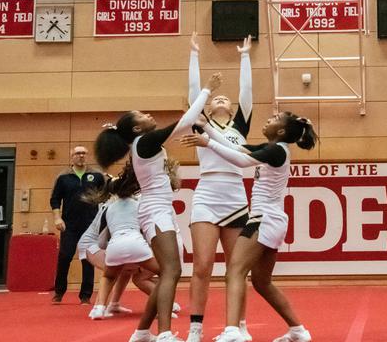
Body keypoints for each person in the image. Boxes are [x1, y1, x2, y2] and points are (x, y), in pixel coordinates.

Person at [94, 72, 222, 342]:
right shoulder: (145, 142)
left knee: (168, 273)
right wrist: (207, 90)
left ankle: (142, 332)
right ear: (137, 129)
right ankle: (164, 334)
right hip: (155, 210)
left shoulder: (143, 143)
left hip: (158, 209)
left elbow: (185, 124)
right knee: (171, 272)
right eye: (141, 115)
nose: (148, 115)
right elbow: (185, 122)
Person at [181, 111, 318, 342]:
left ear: (282, 131)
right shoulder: (273, 148)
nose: (268, 119)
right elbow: (238, 150)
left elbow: (241, 161)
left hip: (263, 218)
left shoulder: (276, 150)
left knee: (235, 270)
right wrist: (209, 130)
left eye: (274, 119)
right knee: (262, 282)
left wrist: (207, 142)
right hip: (273, 220)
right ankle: (298, 330)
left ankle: (233, 330)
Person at [186, 33, 254, 342]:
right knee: (202, 264)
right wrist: (194, 55)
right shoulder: (201, 124)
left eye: (225, 98)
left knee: (237, 268)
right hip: (207, 193)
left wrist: (244, 56)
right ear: (209, 108)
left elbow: (247, 92)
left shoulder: (240, 126)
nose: (222, 99)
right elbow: (192, 96)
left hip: (236, 195)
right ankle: (196, 327)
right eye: (216, 99)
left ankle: (238, 325)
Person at [78, 163, 178, 320]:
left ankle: (98, 308)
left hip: (114, 246)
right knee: (166, 273)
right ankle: (163, 306)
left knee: (109, 275)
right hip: (131, 243)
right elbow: (146, 228)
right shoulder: (140, 204)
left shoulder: (108, 207)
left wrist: (111, 252)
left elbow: (106, 235)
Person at [49, 145, 105, 304]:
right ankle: (59, 292)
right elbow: (54, 199)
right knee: (65, 256)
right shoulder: (63, 177)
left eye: (84, 153)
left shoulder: (97, 175)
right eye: (78, 153)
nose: (81, 156)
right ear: (72, 156)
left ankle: (85, 296)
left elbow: (106, 195)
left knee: (88, 259)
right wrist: (57, 218)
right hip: (69, 225)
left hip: (91, 224)